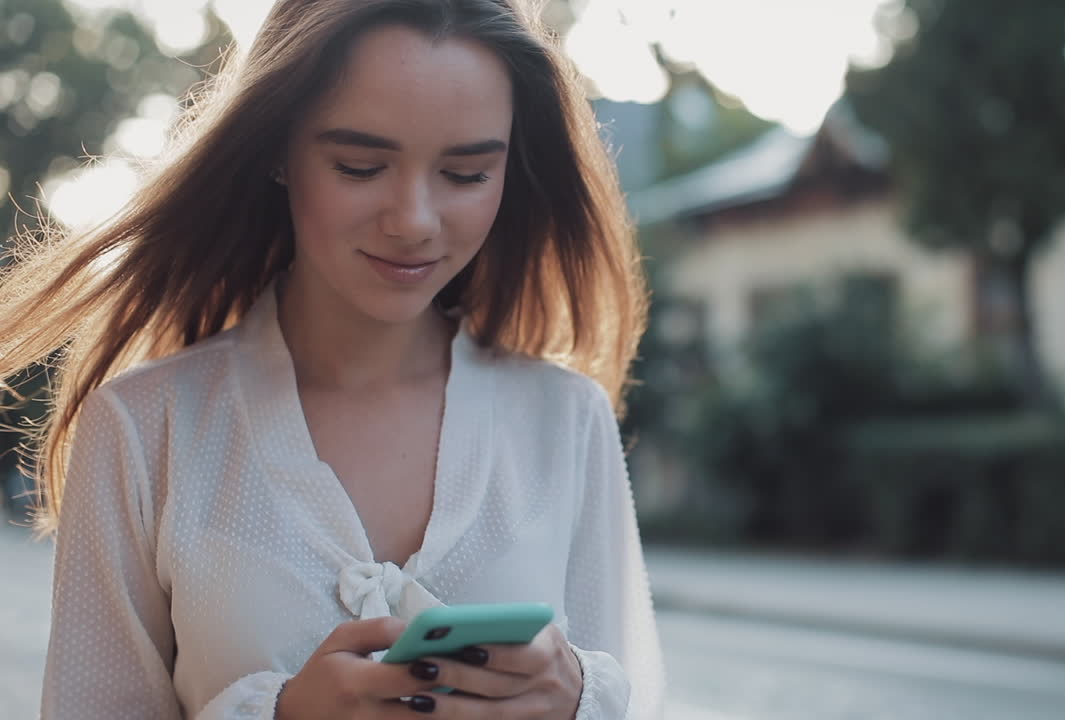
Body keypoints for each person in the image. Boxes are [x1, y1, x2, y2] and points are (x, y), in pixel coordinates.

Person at [1, 0, 663, 717]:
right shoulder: (143, 427)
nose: (412, 220)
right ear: (278, 152)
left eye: (467, 174)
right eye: (360, 166)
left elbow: (637, 697)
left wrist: (578, 698)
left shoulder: (565, 419)